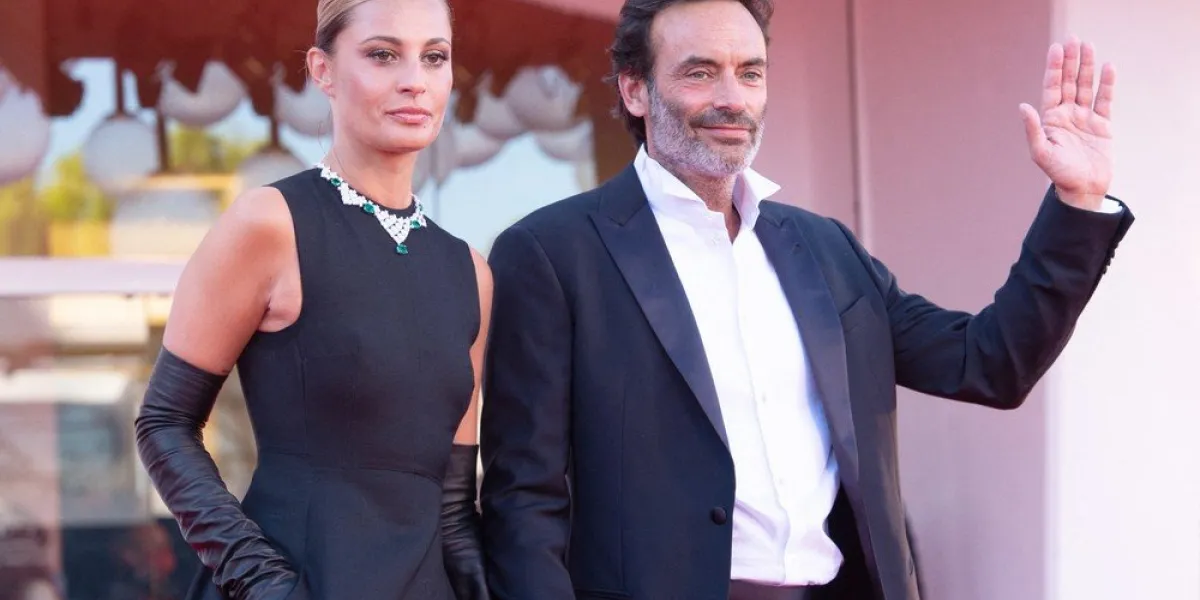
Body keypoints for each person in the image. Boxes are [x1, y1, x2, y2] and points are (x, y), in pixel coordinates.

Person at [478, 0, 1132, 599]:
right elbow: (524, 500)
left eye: (751, 72)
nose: (732, 99)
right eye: (700, 72)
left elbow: (991, 361)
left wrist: (1077, 204)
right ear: (635, 89)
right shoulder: (551, 254)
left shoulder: (826, 252)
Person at [134, 0, 490, 598]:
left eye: (435, 57)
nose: (414, 80)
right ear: (321, 70)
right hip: (299, 579)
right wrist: (263, 582)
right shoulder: (270, 224)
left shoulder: (470, 271)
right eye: (382, 54)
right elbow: (164, 423)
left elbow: (453, 503)